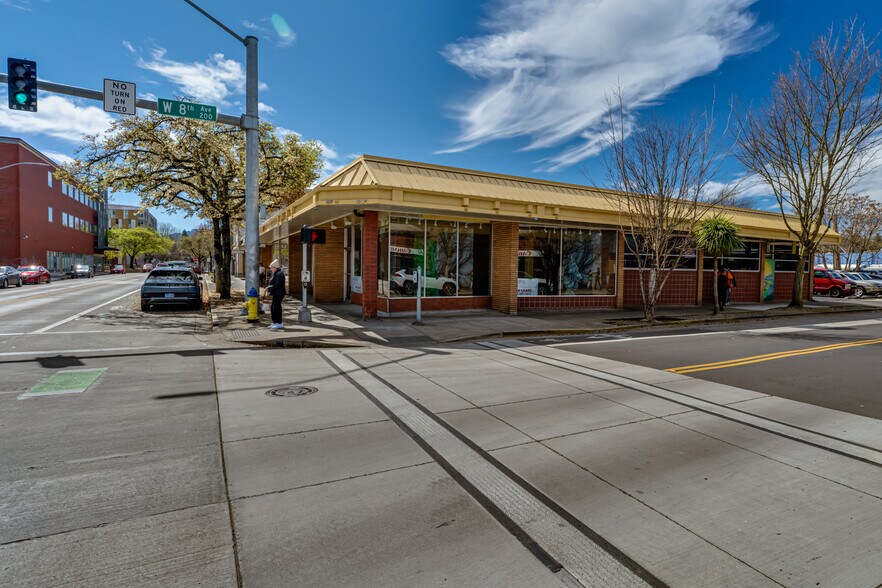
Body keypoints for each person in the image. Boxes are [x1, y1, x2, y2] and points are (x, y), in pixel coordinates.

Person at [265, 260, 286, 329]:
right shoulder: (277, 273)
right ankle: (275, 322)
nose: (270, 269)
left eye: (271, 267)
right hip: (277, 293)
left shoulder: (279, 274)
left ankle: (279, 322)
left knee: (276, 308)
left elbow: (277, 284)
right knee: (274, 307)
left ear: (274, 267)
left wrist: (269, 288)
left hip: (279, 293)